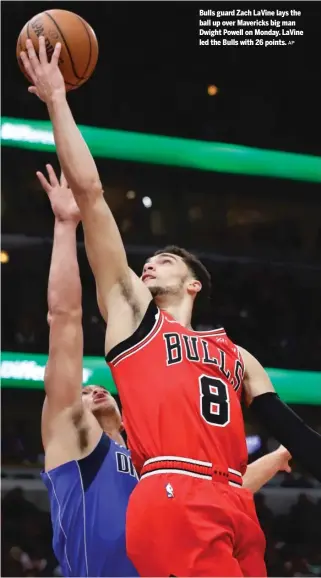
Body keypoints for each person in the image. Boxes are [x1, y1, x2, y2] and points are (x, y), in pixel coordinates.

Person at [20, 38, 321, 576]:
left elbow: (285, 426)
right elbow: (92, 196)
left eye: (162, 260)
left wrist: (288, 456)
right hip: (173, 494)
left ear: (195, 285)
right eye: (146, 263)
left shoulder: (236, 354)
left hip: (232, 500)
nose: (148, 267)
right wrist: (57, 101)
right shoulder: (136, 317)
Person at [36, 164, 138, 577]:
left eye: (100, 387)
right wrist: (65, 226)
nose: (94, 390)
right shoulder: (72, 431)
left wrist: (279, 455)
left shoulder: (147, 454)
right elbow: (64, 318)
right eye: (84, 390)